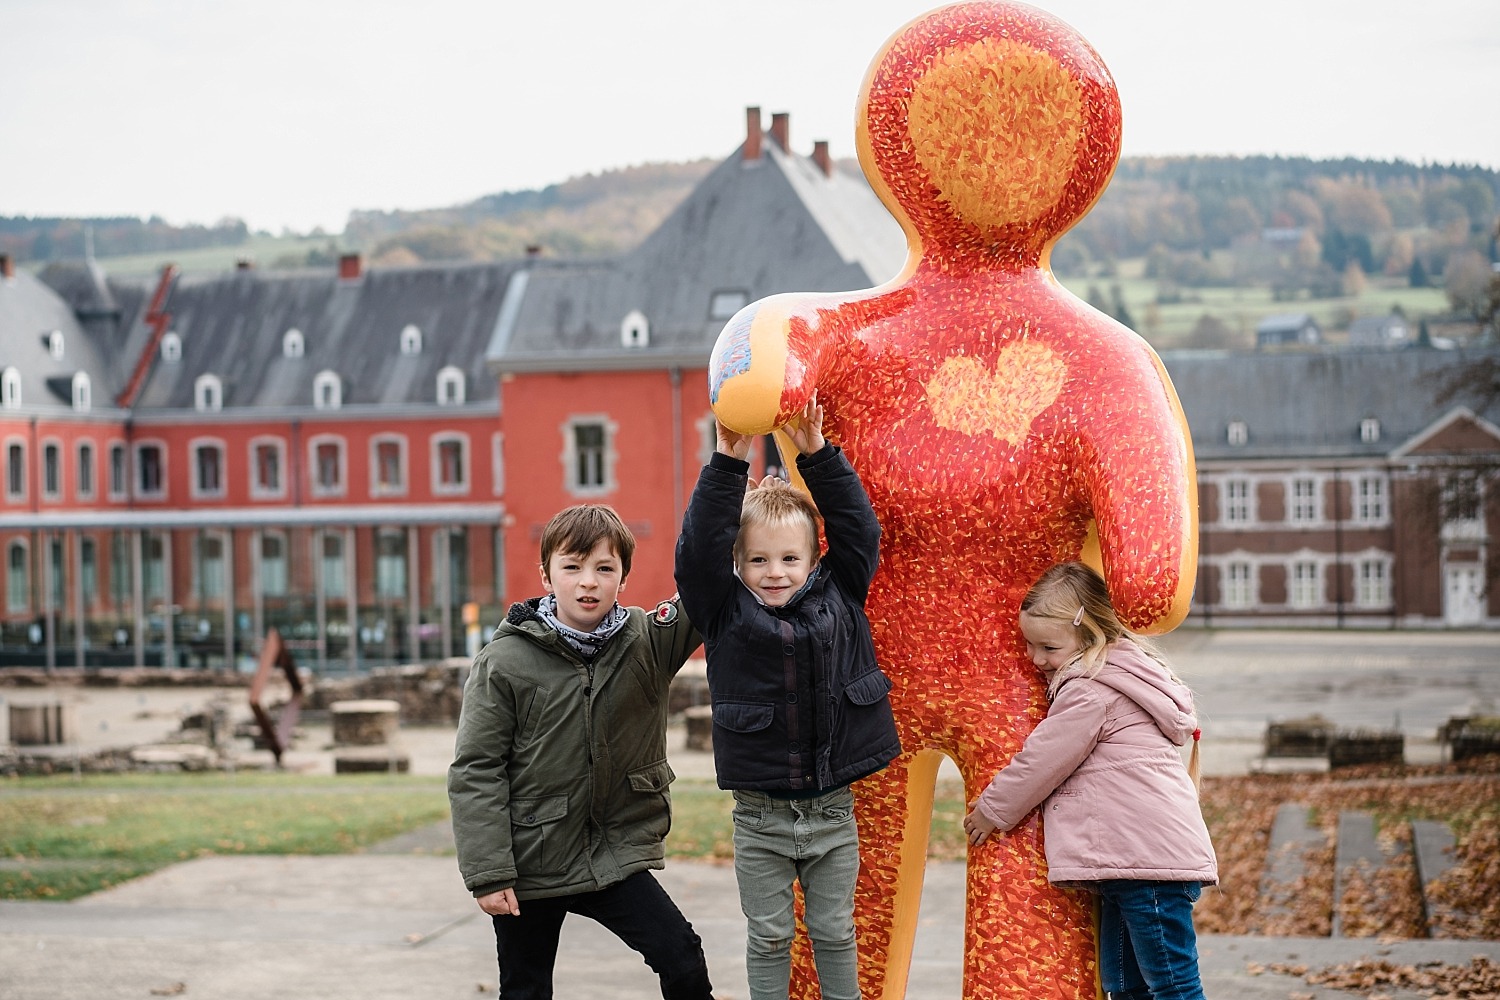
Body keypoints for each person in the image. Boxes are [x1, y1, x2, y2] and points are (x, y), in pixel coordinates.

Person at [675, 395, 901, 1000]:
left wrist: (817, 455)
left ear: (813, 559)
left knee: (833, 931)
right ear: (739, 563)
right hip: (760, 817)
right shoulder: (723, 611)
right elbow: (698, 553)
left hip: (832, 813)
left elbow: (860, 529)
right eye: (758, 560)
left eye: (789, 559)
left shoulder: (842, 593)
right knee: (770, 935)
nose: (774, 572)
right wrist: (728, 461)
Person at [447, 503, 714, 1000]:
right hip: (530, 860)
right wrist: (488, 873)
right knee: (525, 989)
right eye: (572, 567)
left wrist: (731, 503)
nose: (587, 582)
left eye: (604, 568)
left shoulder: (647, 642)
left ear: (623, 578)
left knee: (683, 960)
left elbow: (705, 585)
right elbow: (476, 770)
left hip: (613, 856)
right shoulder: (503, 661)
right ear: (547, 574)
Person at [962, 561, 1217, 1000]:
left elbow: (1042, 760)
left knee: (1171, 983)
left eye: (1048, 648)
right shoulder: (1118, 677)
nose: (1035, 659)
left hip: (1146, 862)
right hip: (1130, 862)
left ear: (1090, 635)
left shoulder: (1090, 690)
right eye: (1029, 645)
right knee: (1124, 984)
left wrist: (992, 811)